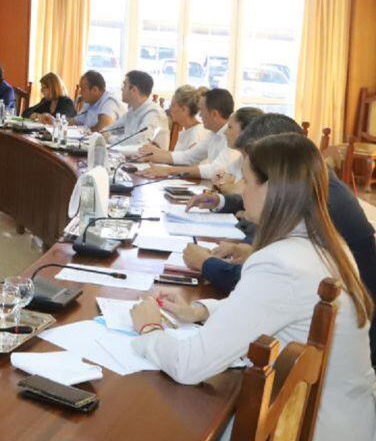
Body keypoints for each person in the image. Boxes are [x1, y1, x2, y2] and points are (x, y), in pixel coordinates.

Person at [129, 134, 376, 441]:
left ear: (272, 189)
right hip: (347, 419)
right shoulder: (328, 243)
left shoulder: (281, 263)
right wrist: (198, 309)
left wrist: (149, 329)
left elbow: (189, 366)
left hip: (306, 427)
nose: (241, 191)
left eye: (246, 182)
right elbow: (270, 307)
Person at [179, 114, 376, 367]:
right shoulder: (311, 188)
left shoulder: (323, 203)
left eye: (250, 178)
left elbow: (273, 281)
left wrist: (207, 264)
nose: (244, 187)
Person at [139, 88, 235, 179]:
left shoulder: (233, 136)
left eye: (202, 110)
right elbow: (189, 156)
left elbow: (214, 170)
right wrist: (156, 154)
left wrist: (168, 170)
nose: (200, 115)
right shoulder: (213, 134)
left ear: (214, 114)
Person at [103, 70, 169, 148]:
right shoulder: (133, 111)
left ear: (134, 90)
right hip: (131, 157)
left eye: (124, 85)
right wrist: (102, 134)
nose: (121, 89)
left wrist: (109, 138)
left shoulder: (154, 113)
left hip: (149, 160)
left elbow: (139, 142)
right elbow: (110, 130)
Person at [165, 85, 210, 153]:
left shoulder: (197, 134)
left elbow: (191, 163)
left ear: (184, 110)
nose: (170, 109)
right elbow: (178, 158)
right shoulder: (186, 129)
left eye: (172, 105)